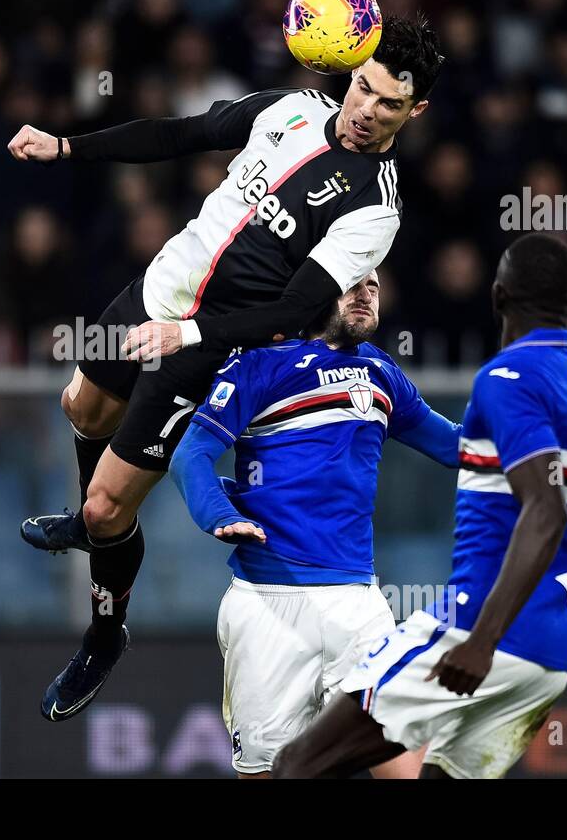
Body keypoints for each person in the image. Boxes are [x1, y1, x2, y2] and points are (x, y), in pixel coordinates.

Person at [9, 16, 444, 722]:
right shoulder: (292, 109)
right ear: (350, 74)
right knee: (80, 409)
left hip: (209, 345)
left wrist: (186, 335)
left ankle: (104, 633)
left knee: (104, 505)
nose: (366, 111)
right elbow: (177, 135)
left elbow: (290, 312)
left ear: (414, 111)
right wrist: (66, 146)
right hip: (157, 291)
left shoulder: (375, 211)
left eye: (389, 104)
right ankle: (95, 533)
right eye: (363, 88)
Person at [272, 233, 567, 779]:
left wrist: (483, 642)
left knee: (298, 763)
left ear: (497, 296)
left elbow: (546, 512)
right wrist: (552, 603)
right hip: (550, 656)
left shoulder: (504, 379)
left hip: (475, 631)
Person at [170, 270, 452, 777]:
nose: (366, 295)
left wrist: (562, 419)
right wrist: (220, 515)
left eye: (374, 286)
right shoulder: (259, 365)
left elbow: (458, 445)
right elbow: (190, 455)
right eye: (353, 284)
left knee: (403, 770)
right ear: (319, 291)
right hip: (268, 605)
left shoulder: (381, 373)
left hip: (360, 605)